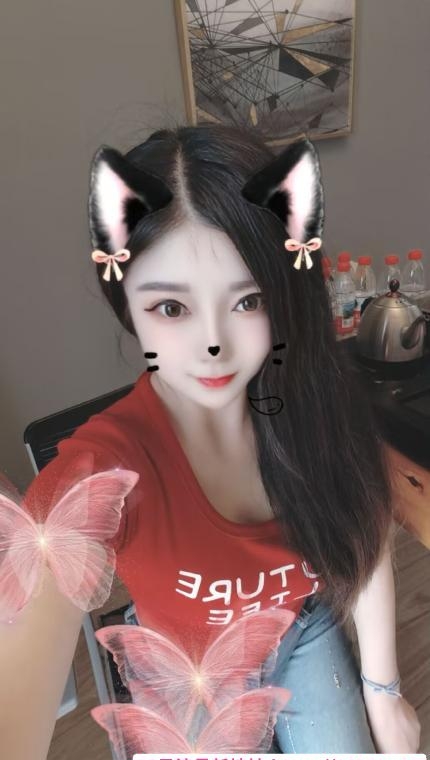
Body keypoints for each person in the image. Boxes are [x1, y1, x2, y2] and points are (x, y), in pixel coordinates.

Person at [1, 124, 421, 758]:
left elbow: (364, 533)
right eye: (172, 309)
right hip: (189, 680)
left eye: (248, 301)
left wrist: (384, 692)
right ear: (126, 302)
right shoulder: (106, 467)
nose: (214, 344)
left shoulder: (313, 399)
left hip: (303, 633)